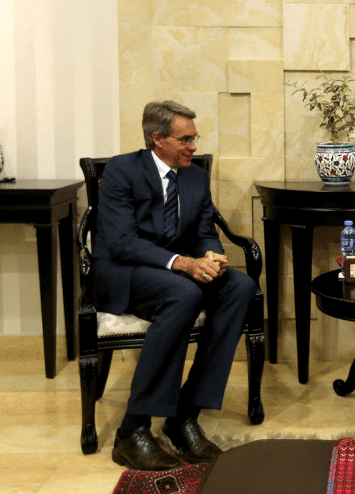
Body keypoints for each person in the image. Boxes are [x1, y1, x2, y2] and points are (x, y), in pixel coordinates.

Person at [93, 100, 255, 470]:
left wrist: (212, 255)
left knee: (239, 287)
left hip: (173, 272)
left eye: (194, 138)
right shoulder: (121, 170)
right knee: (185, 292)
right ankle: (132, 430)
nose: (193, 147)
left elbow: (204, 231)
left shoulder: (194, 176)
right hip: (125, 272)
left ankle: (184, 417)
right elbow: (121, 242)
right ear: (158, 139)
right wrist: (182, 262)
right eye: (185, 140)